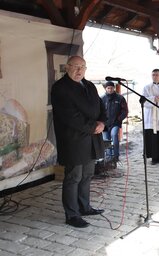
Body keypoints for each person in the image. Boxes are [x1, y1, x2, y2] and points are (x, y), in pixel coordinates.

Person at [51, 56, 105, 228]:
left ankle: (84, 206)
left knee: (88, 175)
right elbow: (70, 116)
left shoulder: (89, 85)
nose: (79, 70)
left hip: (91, 138)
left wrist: (103, 122)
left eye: (82, 67)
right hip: (73, 139)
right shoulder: (60, 88)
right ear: (67, 68)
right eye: (75, 66)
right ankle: (72, 215)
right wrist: (93, 127)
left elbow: (101, 107)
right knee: (74, 176)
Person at [101, 81, 128, 162]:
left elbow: (125, 111)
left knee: (114, 136)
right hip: (105, 124)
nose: (110, 90)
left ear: (114, 88)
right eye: (108, 88)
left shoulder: (120, 98)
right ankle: (109, 156)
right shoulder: (102, 99)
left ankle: (116, 156)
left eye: (111, 88)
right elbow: (98, 111)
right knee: (106, 139)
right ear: (105, 89)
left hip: (116, 123)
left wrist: (119, 119)